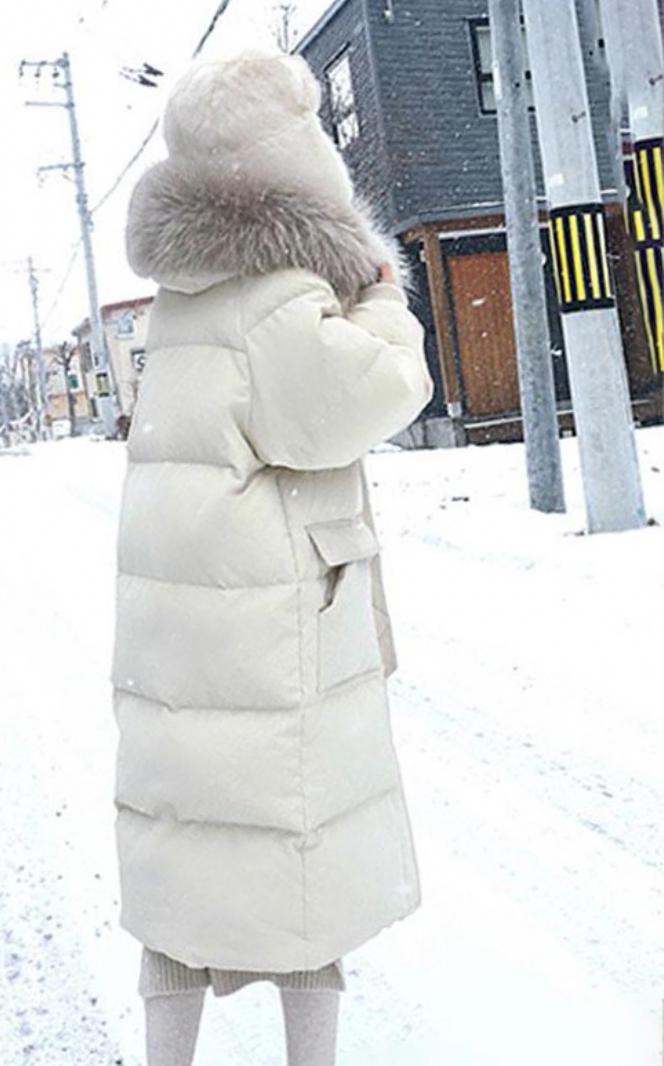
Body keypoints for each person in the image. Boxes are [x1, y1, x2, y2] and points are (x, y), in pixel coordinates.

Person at [112, 49, 434, 1066]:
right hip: (268, 631)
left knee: (186, 861)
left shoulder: (184, 296)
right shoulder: (277, 294)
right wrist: (380, 294)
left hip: (183, 635)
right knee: (300, 876)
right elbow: (374, 392)